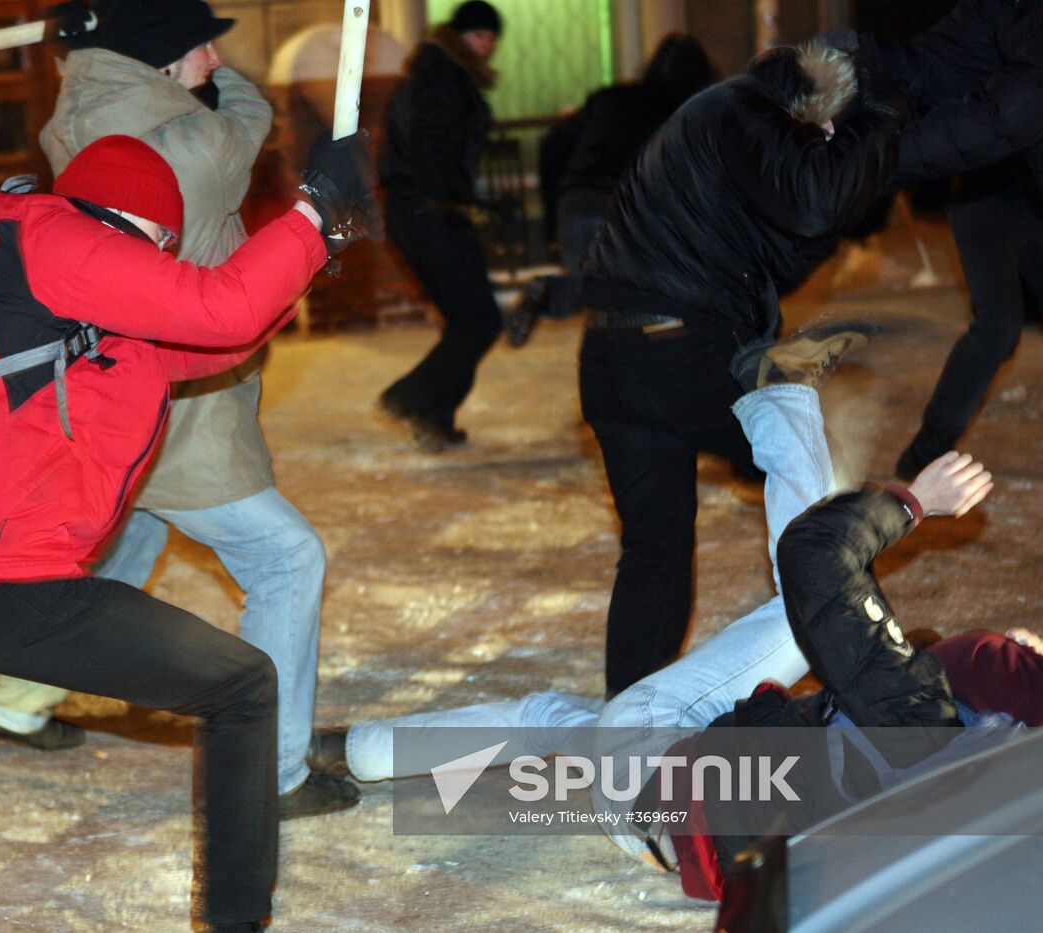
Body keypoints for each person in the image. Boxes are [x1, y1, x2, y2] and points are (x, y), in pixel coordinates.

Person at [0, 132, 374, 933]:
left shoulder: (57, 299)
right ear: (138, 222)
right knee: (240, 686)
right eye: (166, 238)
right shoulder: (53, 236)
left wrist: (307, 255)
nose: (168, 253)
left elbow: (211, 336)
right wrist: (309, 212)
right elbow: (215, 303)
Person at [313, 343, 1035, 903]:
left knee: (802, 607)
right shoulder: (997, 815)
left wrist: (914, 501)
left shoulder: (921, 715)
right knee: (563, 722)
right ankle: (366, 750)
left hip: (658, 757)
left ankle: (779, 390)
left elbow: (820, 563)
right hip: (656, 835)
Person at [0, 0, 359, 819]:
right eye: (200, 44)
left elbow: (216, 95)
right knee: (286, 559)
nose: (217, 57)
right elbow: (246, 122)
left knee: (123, 545)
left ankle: (16, 695)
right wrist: (319, 190)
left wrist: (188, 73)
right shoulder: (183, 143)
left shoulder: (94, 106)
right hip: (180, 397)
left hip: (130, 392)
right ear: (155, 58)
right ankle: (272, 768)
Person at [578, 37, 904, 696]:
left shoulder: (719, 124)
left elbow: (782, 247)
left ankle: (629, 726)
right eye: (828, 130)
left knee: (655, 553)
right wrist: (880, 121)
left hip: (617, 358)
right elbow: (813, 202)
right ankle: (864, 680)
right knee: (819, 490)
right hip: (680, 353)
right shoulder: (743, 113)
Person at [855, 1, 1043, 479]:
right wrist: (860, 55)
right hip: (985, 184)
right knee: (999, 323)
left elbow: (1005, 114)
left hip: (1014, 175)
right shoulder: (997, 9)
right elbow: (933, 62)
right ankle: (924, 452)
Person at [514, 34, 716, 345]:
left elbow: (554, 142)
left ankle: (550, 294)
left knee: (592, 293)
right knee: (629, 304)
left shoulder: (610, 98)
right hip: (626, 208)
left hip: (576, 202)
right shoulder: (688, 112)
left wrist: (555, 199)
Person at [376, 0, 503, 451]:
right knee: (480, 320)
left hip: (422, 209)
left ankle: (434, 416)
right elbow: (430, 142)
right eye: (479, 36)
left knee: (467, 320)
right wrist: (447, 200)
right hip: (429, 211)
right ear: (459, 36)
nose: (486, 46)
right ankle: (410, 396)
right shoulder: (442, 73)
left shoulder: (439, 70)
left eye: (491, 38)